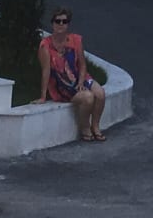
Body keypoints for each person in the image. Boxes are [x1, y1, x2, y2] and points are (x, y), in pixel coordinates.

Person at [37, 8, 105, 141]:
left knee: (100, 93)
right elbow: (46, 70)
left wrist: (80, 82)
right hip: (63, 85)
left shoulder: (75, 40)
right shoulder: (45, 45)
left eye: (64, 21)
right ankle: (85, 127)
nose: (61, 24)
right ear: (52, 23)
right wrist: (43, 96)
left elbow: (82, 64)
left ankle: (95, 126)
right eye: (58, 21)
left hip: (79, 77)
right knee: (88, 98)